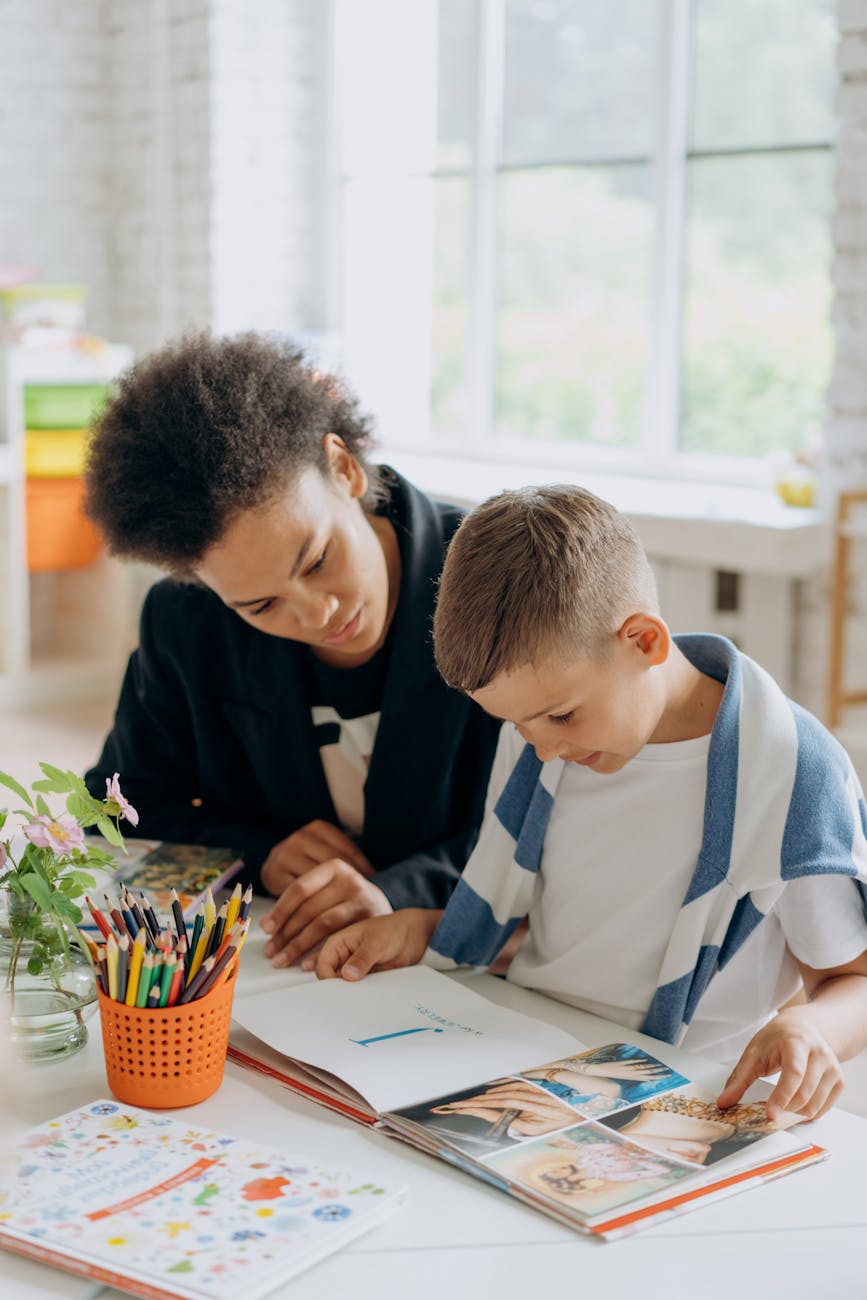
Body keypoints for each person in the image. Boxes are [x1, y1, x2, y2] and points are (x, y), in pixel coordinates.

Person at [311, 484, 867, 1124]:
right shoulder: (549, 743)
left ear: (643, 641)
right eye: (521, 727)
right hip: (525, 1057)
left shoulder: (789, 774)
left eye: (560, 715)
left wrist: (814, 1032)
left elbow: (846, 979)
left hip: (684, 1099)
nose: (543, 751)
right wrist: (421, 928)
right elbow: (554, 940)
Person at [82, 332, 499, 965]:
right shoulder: (185, 622)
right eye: (260, 606)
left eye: (318, 559)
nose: (317, 613)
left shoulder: (495, 580)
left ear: (344, 468)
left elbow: (560, 814)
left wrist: (398, 892)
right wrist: (259, 850)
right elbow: (115, 810)